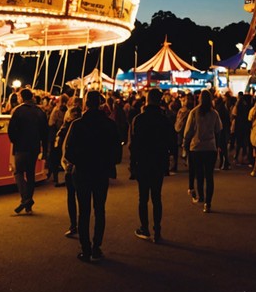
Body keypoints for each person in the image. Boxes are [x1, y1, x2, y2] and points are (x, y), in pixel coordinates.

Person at [63, 90, 122, 262]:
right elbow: (116, 150)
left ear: (86, 104)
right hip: (101, 171)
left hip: (82, 171)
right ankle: (97, 246)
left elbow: (69, 151)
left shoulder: (78, 124)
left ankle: (86, 248)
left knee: (84, 211)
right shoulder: (109, 125)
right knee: (99, 209)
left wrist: (80, 161)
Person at [130, 88, 174, 241]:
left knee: (143, 198)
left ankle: (145, 228)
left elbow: (134, 144)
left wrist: (132, 165)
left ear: (147, 100)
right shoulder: (164, 120)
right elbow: (171, 142)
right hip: (158, 161)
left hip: (143, 161)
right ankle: (157, 230)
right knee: (156, 197)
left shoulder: (139, 119)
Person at [8, 88, 49, 214]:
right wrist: (45, 149)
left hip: (21, 146)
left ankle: (25, 198)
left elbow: (11, 130)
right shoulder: (40, 112)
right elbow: (45, 133)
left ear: (21, 97)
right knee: (30, 174)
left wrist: (15, 141)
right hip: (34, 147)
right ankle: (28, 204)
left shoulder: (18, 111)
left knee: (18, 172)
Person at [184, 89, 222, 213]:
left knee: (199, 174)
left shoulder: (194, 112)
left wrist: (185, 143)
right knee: (209, 176)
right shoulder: (214, 113)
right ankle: (208, 203)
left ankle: (201, 196)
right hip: (210, 147)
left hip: (196, 147)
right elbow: (218, 130)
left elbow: (188, 131)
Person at [55, 104, 82, 238]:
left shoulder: (66, 128)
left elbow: (58, 145)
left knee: (71, 196)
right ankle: (80, 225)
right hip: (82, 165)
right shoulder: (83, 126)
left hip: (70, 166)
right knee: (82, 197)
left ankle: (73, 225)